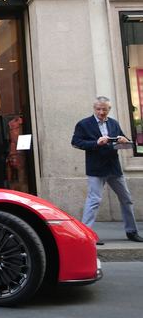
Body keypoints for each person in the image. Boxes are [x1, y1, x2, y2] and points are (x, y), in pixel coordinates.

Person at [72, 96, 143, 243]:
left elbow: (124, 141)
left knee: (126, 199)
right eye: (98, 109)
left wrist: (124, 140)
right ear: (94, 108)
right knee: (94, 200)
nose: (101, 112)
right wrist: (95, 143)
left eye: (104, 109)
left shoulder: (114, 123)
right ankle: (86, 234)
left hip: (113, 167)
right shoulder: (84, 124)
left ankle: (132, 231)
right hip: (96, 168)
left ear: (109, 109)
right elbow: (76, 142)